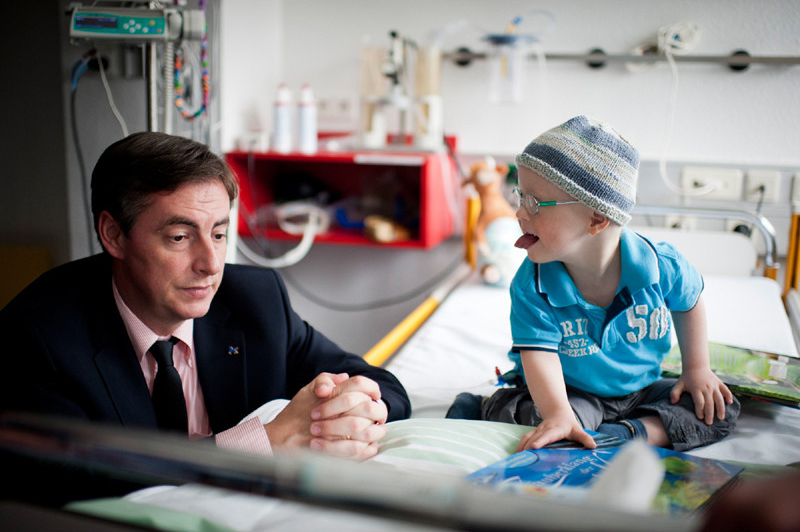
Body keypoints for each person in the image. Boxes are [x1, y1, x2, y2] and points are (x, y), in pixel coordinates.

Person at [0, 132, 410, 504]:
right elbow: (67, 482)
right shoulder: (37, 336)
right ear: (113, 234)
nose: (211, 265)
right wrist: (263, 443)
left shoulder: (256, 300)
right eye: (179, 237)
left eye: (218, 234)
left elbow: (384, 386)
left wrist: (342, 413)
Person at [447, 115, 739, 452]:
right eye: (520, 196)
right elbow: (538, 354)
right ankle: (482, 407)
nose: (520, 213)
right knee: (540, 419)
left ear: (597, 219)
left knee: (718, 406)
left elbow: (690, 303)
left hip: (642, 389)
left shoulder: (662, 266)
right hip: (570, 393)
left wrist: (697, 369)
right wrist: (559, 415)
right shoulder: (532, 285)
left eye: (534, 203)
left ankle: (628, 434)